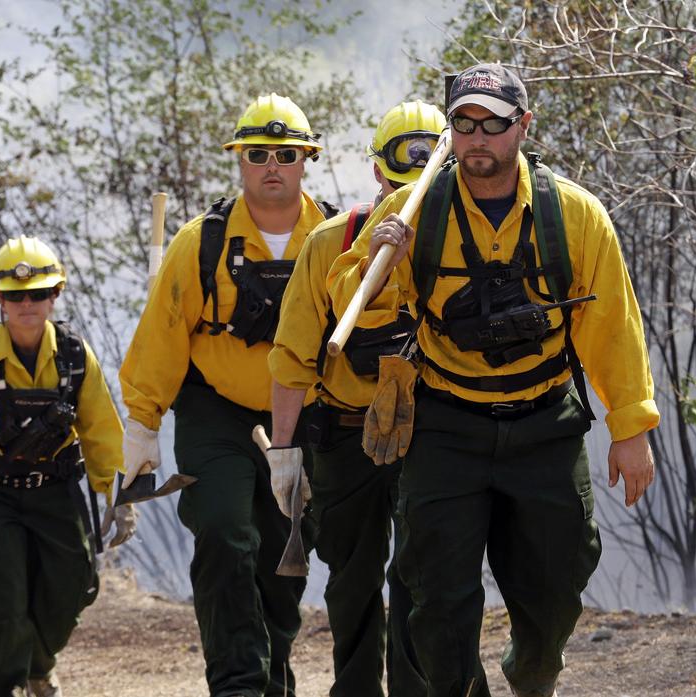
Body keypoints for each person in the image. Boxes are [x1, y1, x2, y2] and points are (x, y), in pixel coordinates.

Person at [326, 63, 660, 697]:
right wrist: (376, 256)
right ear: (450, 132)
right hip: (446, 423)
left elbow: (612, 325)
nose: (478, 137)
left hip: (545, 422)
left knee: (558, 582)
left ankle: (532, 675)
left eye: (493, 124)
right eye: (463, 123)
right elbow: (348, 303)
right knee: (435, 595)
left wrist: (631, 428)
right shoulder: (412, 211)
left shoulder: (575, 215)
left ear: (522, 127)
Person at [119, 93, 337, 697]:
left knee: (285, 552)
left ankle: (273, 675)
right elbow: (161, 337)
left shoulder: (340, 240)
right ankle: (238, 684)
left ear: (305, 160)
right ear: (239, 160)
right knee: (223, 533)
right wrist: (141, 426)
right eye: (258, 153)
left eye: (286, 153)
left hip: (307, 418)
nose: (273, 165)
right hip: (216, 415)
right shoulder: (201, 243)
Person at [267, 100, 445, 697]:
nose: (419, 166)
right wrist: (285, 455)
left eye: (430, 151)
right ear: (379, 170)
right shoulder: (329, 243)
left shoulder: (459, 244)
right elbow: (292, 358)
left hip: (431, 433)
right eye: (406, 155)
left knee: (422, 574)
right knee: (351, 577)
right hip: (344, 437)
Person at [0, 236, 131, 697]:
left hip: (55, 491)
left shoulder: (77, 359)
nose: (27, 304)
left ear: (55, 295)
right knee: (3, 600)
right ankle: (9, 686)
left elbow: (101, 432)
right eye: (15, 295)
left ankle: (38, 666)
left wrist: (119, 499)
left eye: (38, 293)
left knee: (76, 584)